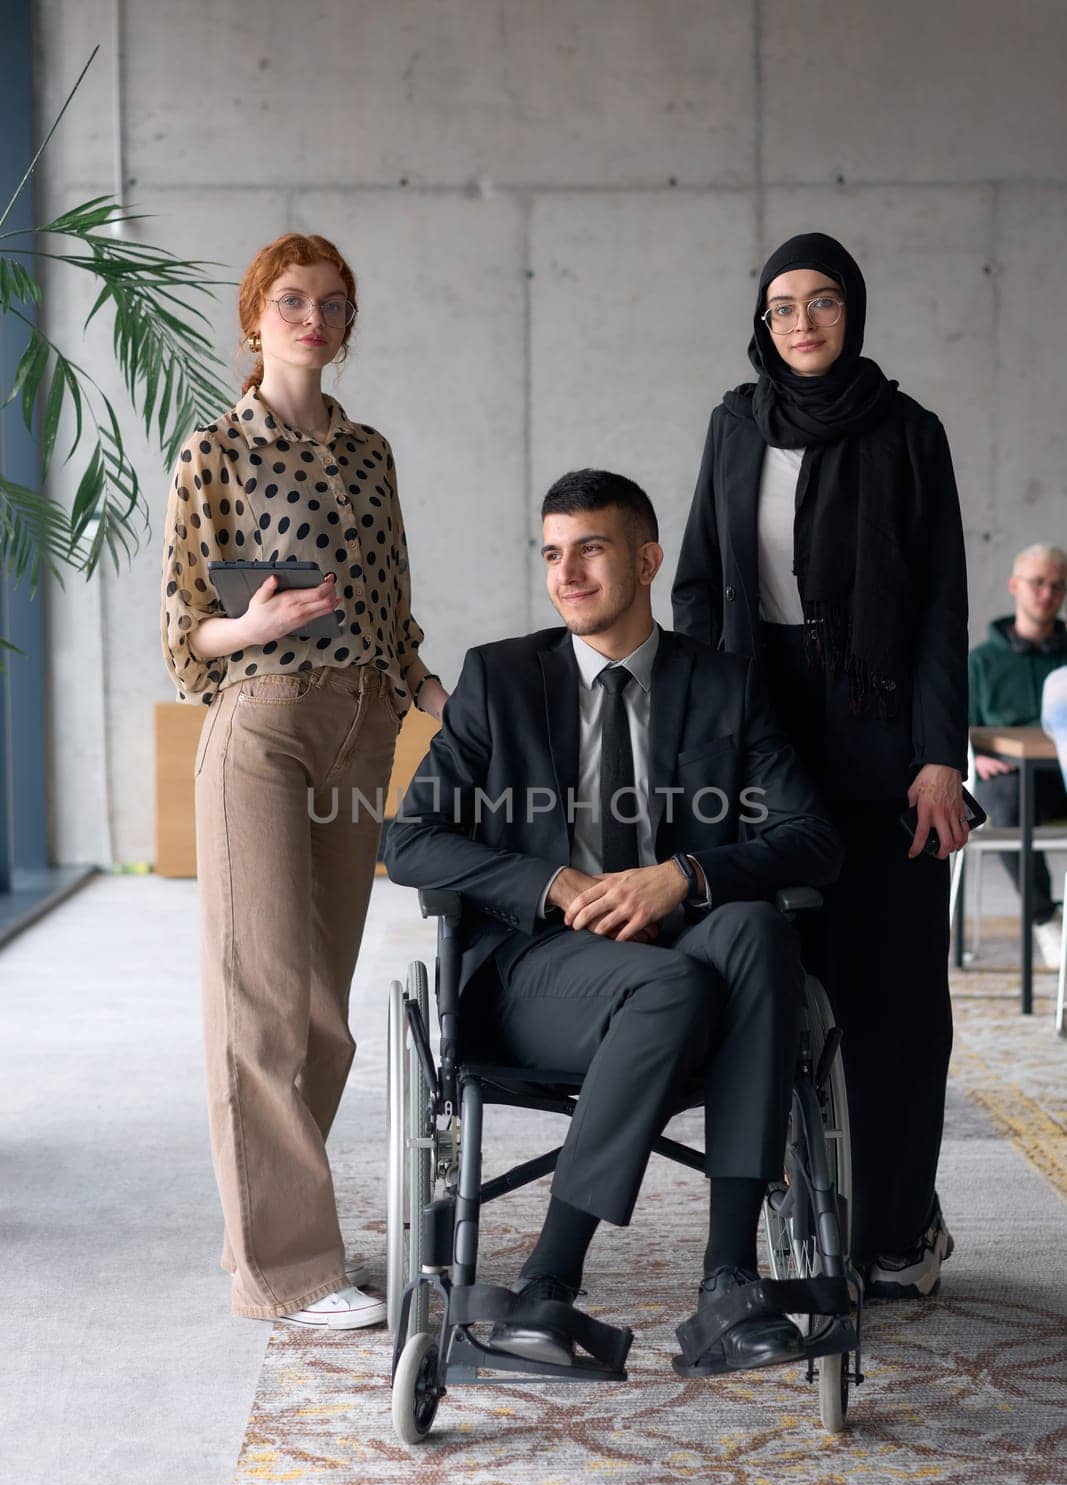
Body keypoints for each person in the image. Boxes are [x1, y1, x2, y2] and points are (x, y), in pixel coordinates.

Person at [385, 469, 842, 1372]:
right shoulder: (500, 680)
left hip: (685, 956)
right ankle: (549, 1282)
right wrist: (551, 884)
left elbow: (812, 838)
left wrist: (682, 876)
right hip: (537, 970)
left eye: (590, 549)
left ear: (645, 560)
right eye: (553, 554)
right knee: (674, 982)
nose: (568, 574)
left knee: (752, 932)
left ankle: (727, 1282)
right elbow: (409, 841)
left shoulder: (723, 686)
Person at [672, 232, 969, 1299]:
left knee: (892, 996)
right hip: (763, 727)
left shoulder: (905, 433)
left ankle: (896, 1229)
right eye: (781, 306)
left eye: (822, 302)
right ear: (762, 321)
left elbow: (939, 607)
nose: (800, 322)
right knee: (783, 989)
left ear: (853, 313)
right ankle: (811, 1223)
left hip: (884, 733)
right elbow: (701, 585)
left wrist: (940, 758)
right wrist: (707, 719)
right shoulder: (731, 425)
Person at [160, 232, 447, 1328]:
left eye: (332, 304)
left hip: (366, 724)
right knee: (266, 1002)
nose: (313, 320)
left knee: (324, 1015)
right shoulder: (213, 453)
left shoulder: (369, 452)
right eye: (292, 301)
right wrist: (257, 621)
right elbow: (185, 632)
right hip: (263, 726)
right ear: (253, 317)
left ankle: (265, 1230)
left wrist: (424, 684)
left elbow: (394, 595)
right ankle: (285, 1270)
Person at [969, 544, 1067, 935]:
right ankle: (1044, 919)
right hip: (1005, 778)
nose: (1047, 594)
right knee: (1010, 802)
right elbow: (954, 727)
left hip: (1060, 774)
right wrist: (973, 757)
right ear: (1014, 585)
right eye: (1038, 582)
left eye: (1058, 586)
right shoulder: (981, 662)